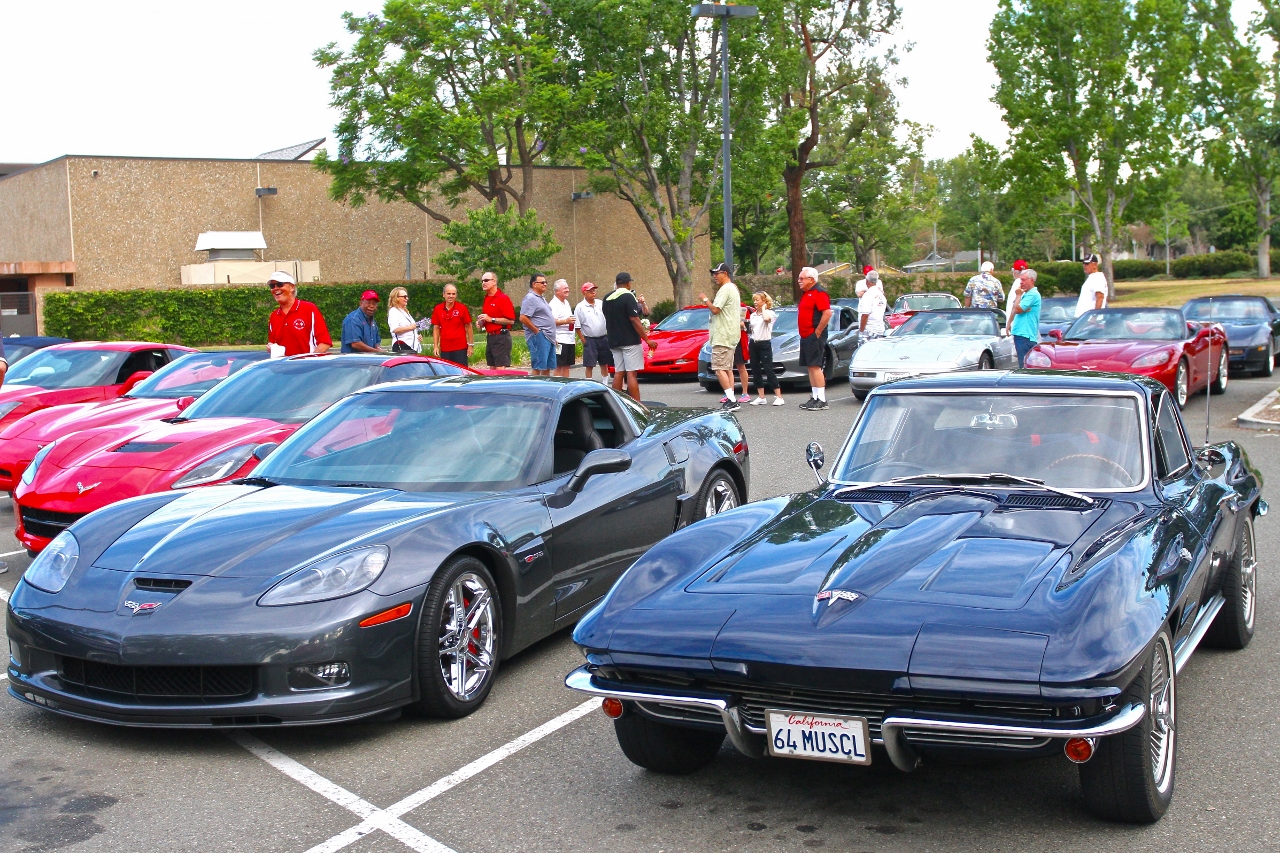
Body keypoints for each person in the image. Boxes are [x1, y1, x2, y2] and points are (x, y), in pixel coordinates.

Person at [603, 271, 656, 401]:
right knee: (631, 373)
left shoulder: (607, 298)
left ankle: (616, 404)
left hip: (614, 341)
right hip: (630, 341)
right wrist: (647, 339)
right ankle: (638, 405)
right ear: (628, 283)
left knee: (618, 372)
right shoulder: (628, 296)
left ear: (616, 283)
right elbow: (634, 319)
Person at [700, 262, 745, 412]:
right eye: (713, 273)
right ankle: (731, 397)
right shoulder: (733, 288)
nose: (714, 276)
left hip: (723, 335)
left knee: (719, 369)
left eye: (716, 273)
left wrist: (705, 299)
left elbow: (715, 309)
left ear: (725, 273)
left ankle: (732, 401)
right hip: (731, 334)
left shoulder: (726, 289)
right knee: (727, 369)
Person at [267, 271, 331, 356]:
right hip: (284, 368)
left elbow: (324, 343)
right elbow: (273, 344)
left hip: (308, 367)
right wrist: (271, 347)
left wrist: (309, 363)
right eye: (272, 286)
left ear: (292, 287)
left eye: (279, 284)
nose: (275, 288)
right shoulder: (274, 316)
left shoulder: (309, 309)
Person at [797, 266, 833, 411]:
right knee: (810, 366)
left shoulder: (819, 293)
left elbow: (827, 313)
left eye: (802, 278)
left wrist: (817, 332)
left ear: (811, 280)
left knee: (816, 366)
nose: (799, 281)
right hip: (805, 335)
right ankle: (815, 397)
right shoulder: (807, 293)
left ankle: (822, 399)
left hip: (813, 335)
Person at [747, 291, 783, 406]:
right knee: (755, 369)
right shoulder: (753, 315)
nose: (755, 302)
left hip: (764, 343)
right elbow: (750, 330)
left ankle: (779, 396)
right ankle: (761, 396)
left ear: (764, 301)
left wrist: (763, 309)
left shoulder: (769, 313)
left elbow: (767, 320)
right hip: (754, 343)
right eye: (754, 300)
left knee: (768, 369)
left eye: (757, 300)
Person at [520, 273, 557, 376]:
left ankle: (546, 388)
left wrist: (552, 335)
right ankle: (535, 389)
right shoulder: (530, 298)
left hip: (549, 337)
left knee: (547, 366)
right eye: (542, 282)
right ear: (534, 284)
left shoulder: (541, 298)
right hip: (539, 337)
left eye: (546, 282)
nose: (545, 284)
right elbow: (523, 317)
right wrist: (537, 331)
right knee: (538, 366)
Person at [477, 272, 516, 368]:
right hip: (490, 337)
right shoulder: (486, 298)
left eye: (486, 280)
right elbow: (487, 319)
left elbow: (511, 321)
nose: (483, 283)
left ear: (494, 282)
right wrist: (481, 323)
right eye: (482, 281)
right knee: (492, 367)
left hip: (501, 337)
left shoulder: (503, 298)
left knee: (500, 369)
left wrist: (491, 319)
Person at [574, 282, 611, 381]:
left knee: (604, 363)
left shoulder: (601, 303)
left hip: (603, 338)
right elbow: (577, 326)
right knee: (589, 365)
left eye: (594, 290)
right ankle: (589, 383)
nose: (593, 292)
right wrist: (583, 339)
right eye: (590, 291)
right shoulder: (580, 307)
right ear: (584, 292)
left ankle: (605, 383)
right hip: (590, 339)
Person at [431, 284, 473, 366]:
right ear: (443, 295)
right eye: (449, 293)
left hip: (460, 348)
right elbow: (436, 328)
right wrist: (435, 346)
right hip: (445, 348)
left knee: (462, 373)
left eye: (453, 294)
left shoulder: (462, 308)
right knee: (447, 373)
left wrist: (471, 345)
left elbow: (469, 326)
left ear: (456, 295)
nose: (451, 296)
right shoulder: (438, 309)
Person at [1008, 268, 1042, 367]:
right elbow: (1015, 307)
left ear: (1031, 280)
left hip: (1026, 335)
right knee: (1022, 363)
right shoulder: (1026, 294)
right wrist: (1009, 324)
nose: (1021, 282)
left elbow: (1018, 309)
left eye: (1023, 280)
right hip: (1020, 333)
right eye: (1020, 280)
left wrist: (1018, 295)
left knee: (1024, 365)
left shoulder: (1033, 294)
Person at [549, 279, 577, 378]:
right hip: (559, 340)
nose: (567, 290)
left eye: (567, 288)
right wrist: (566, 321)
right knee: (559, 365)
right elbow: (551, 321)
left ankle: (566, 384)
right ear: (557, 291)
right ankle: (556, 385)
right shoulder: (553, 304)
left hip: (569, 339)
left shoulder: (566, 302)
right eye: (565, 288)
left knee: (567, 365)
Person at [387, 287, 420, 353]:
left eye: (407, 296)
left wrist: (416, 336)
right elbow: (395, 329)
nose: (407, 298)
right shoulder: (394, 311)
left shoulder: (405, 312)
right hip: (402, 346)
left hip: (411, 347)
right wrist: (410, 328)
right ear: (397, 298)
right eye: (404, 297)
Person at [857, 269, 887, 341]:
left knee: (864, 351)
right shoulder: (881, 296)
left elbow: (865, 315)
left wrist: (861, 331)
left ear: (867, 281)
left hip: (868, 331)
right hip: (880, 330)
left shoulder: (867, 295)